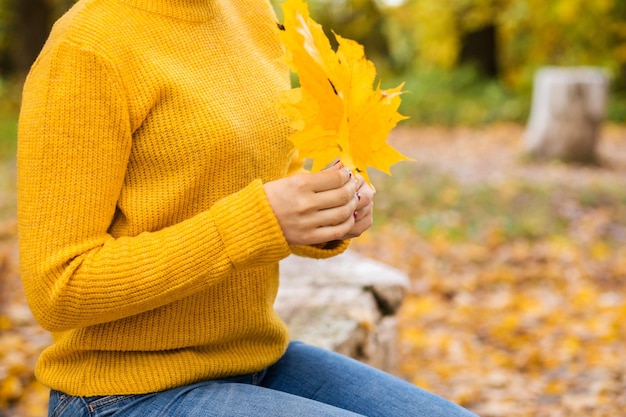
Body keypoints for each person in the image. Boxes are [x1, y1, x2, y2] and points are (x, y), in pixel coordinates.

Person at [17, 0, 478, 416]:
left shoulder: (251, 12)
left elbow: (273, 173)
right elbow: (57, 287)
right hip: (123, 392)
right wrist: (257, 222)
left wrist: (330, 210)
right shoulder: (87, 47)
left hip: (256, 358)